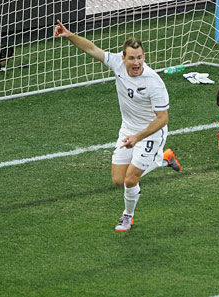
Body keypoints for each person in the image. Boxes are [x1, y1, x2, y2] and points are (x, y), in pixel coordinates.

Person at [54, 20, 181, 232]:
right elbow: (91, 48)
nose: (136, 62)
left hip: (150, 133)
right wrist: (69, 35)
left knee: (131, 180)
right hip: (128, 130)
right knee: (118, 180)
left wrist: (138, 138)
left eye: (139, 57)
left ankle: (127, 217)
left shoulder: (154, 82)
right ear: (124, 58)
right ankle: (163, 159)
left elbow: (162, 119)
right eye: (131, 58)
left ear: (144, 57)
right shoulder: (117, 64)